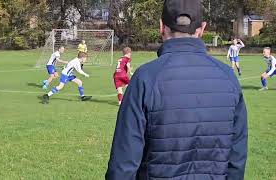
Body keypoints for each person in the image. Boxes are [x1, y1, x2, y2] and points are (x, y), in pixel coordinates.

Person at [105, 0, 248, 180]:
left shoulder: (145, 77)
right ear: (202, 29)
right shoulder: (228, 77)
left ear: (161, 26)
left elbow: (123, 163)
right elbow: (237, 160)